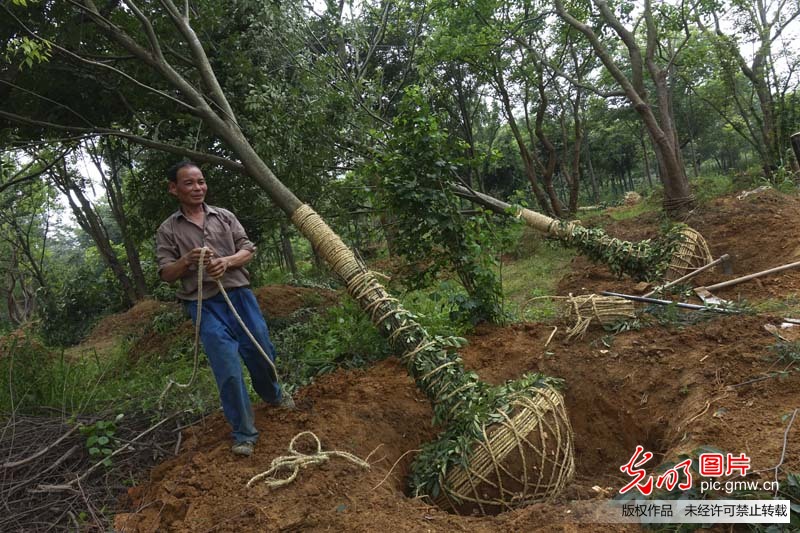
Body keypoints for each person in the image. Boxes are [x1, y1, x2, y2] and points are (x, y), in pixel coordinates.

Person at [156, 160, 291, 457]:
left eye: (201, 182)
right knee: (227, 367)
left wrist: (227, 261)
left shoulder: (225, 216)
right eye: (189, 183)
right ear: (173, 188)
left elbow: (247, 249)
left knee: (261, 350)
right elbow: (166, 273)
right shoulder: (168, 229)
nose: (197, 188)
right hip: (203, 305)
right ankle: (244, 432)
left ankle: (273, 395)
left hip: (239, 296)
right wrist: (187, 261)